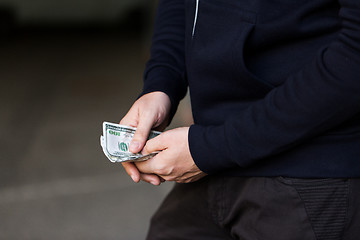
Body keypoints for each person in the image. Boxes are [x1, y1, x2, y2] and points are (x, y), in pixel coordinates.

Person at [120, 0, 360, 239]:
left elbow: (354, 57)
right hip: (213, 157)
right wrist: (161, 84)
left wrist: (211, 149)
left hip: (310, 166)